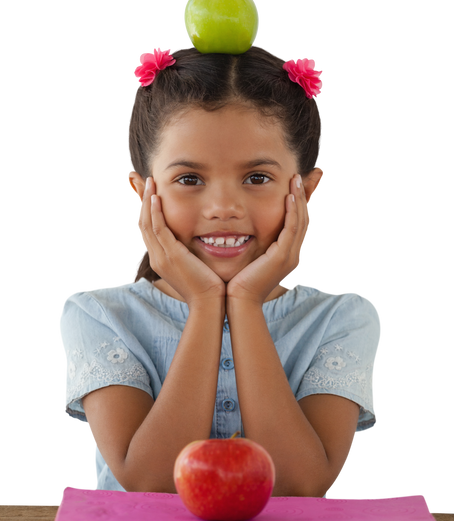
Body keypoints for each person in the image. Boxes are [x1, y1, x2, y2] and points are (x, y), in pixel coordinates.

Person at [57, 44, 383, 497]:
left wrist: (246, 302)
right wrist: (208, 302)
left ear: (308, 190)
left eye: (257, 178)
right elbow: (149, 482)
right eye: (189, 179)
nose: (224, 208)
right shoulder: (96, 314)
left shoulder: (343, 319)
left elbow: (299, 485)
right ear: (141, 191)